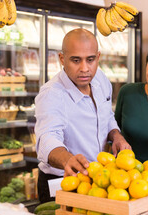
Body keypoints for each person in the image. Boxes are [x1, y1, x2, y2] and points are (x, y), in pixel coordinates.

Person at [35, 28, 130, 203]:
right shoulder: (52, 94)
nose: (84, 68)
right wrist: (67, 160)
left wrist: (116, 135)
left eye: (90, 60)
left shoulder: (101, 80)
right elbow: (47, 138)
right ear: (62, 59)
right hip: (62, 182)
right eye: (76, 60)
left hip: (95, 180)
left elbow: (106, 116)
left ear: (98, 57)